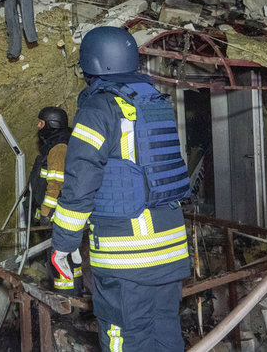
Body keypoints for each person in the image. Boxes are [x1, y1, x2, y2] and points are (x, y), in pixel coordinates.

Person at [51, 26, 191, 351]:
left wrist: (63, 244)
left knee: (125, 339)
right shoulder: (156, 103)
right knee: (166, 335)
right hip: (171, 250)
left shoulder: (98, 109)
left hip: (127, 258)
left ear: (91, 64)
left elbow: (80, 182)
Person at [26, 106, 82, 295]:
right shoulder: (60, 143)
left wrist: (45, 212)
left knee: (59, 259)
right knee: (71, 256)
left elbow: (55, 184)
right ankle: (74, 293)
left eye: (41, 123)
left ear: (51, 124)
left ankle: (65, 299)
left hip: (58, 216)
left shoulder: (58, 148)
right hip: (64, 215)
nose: (38, 126)